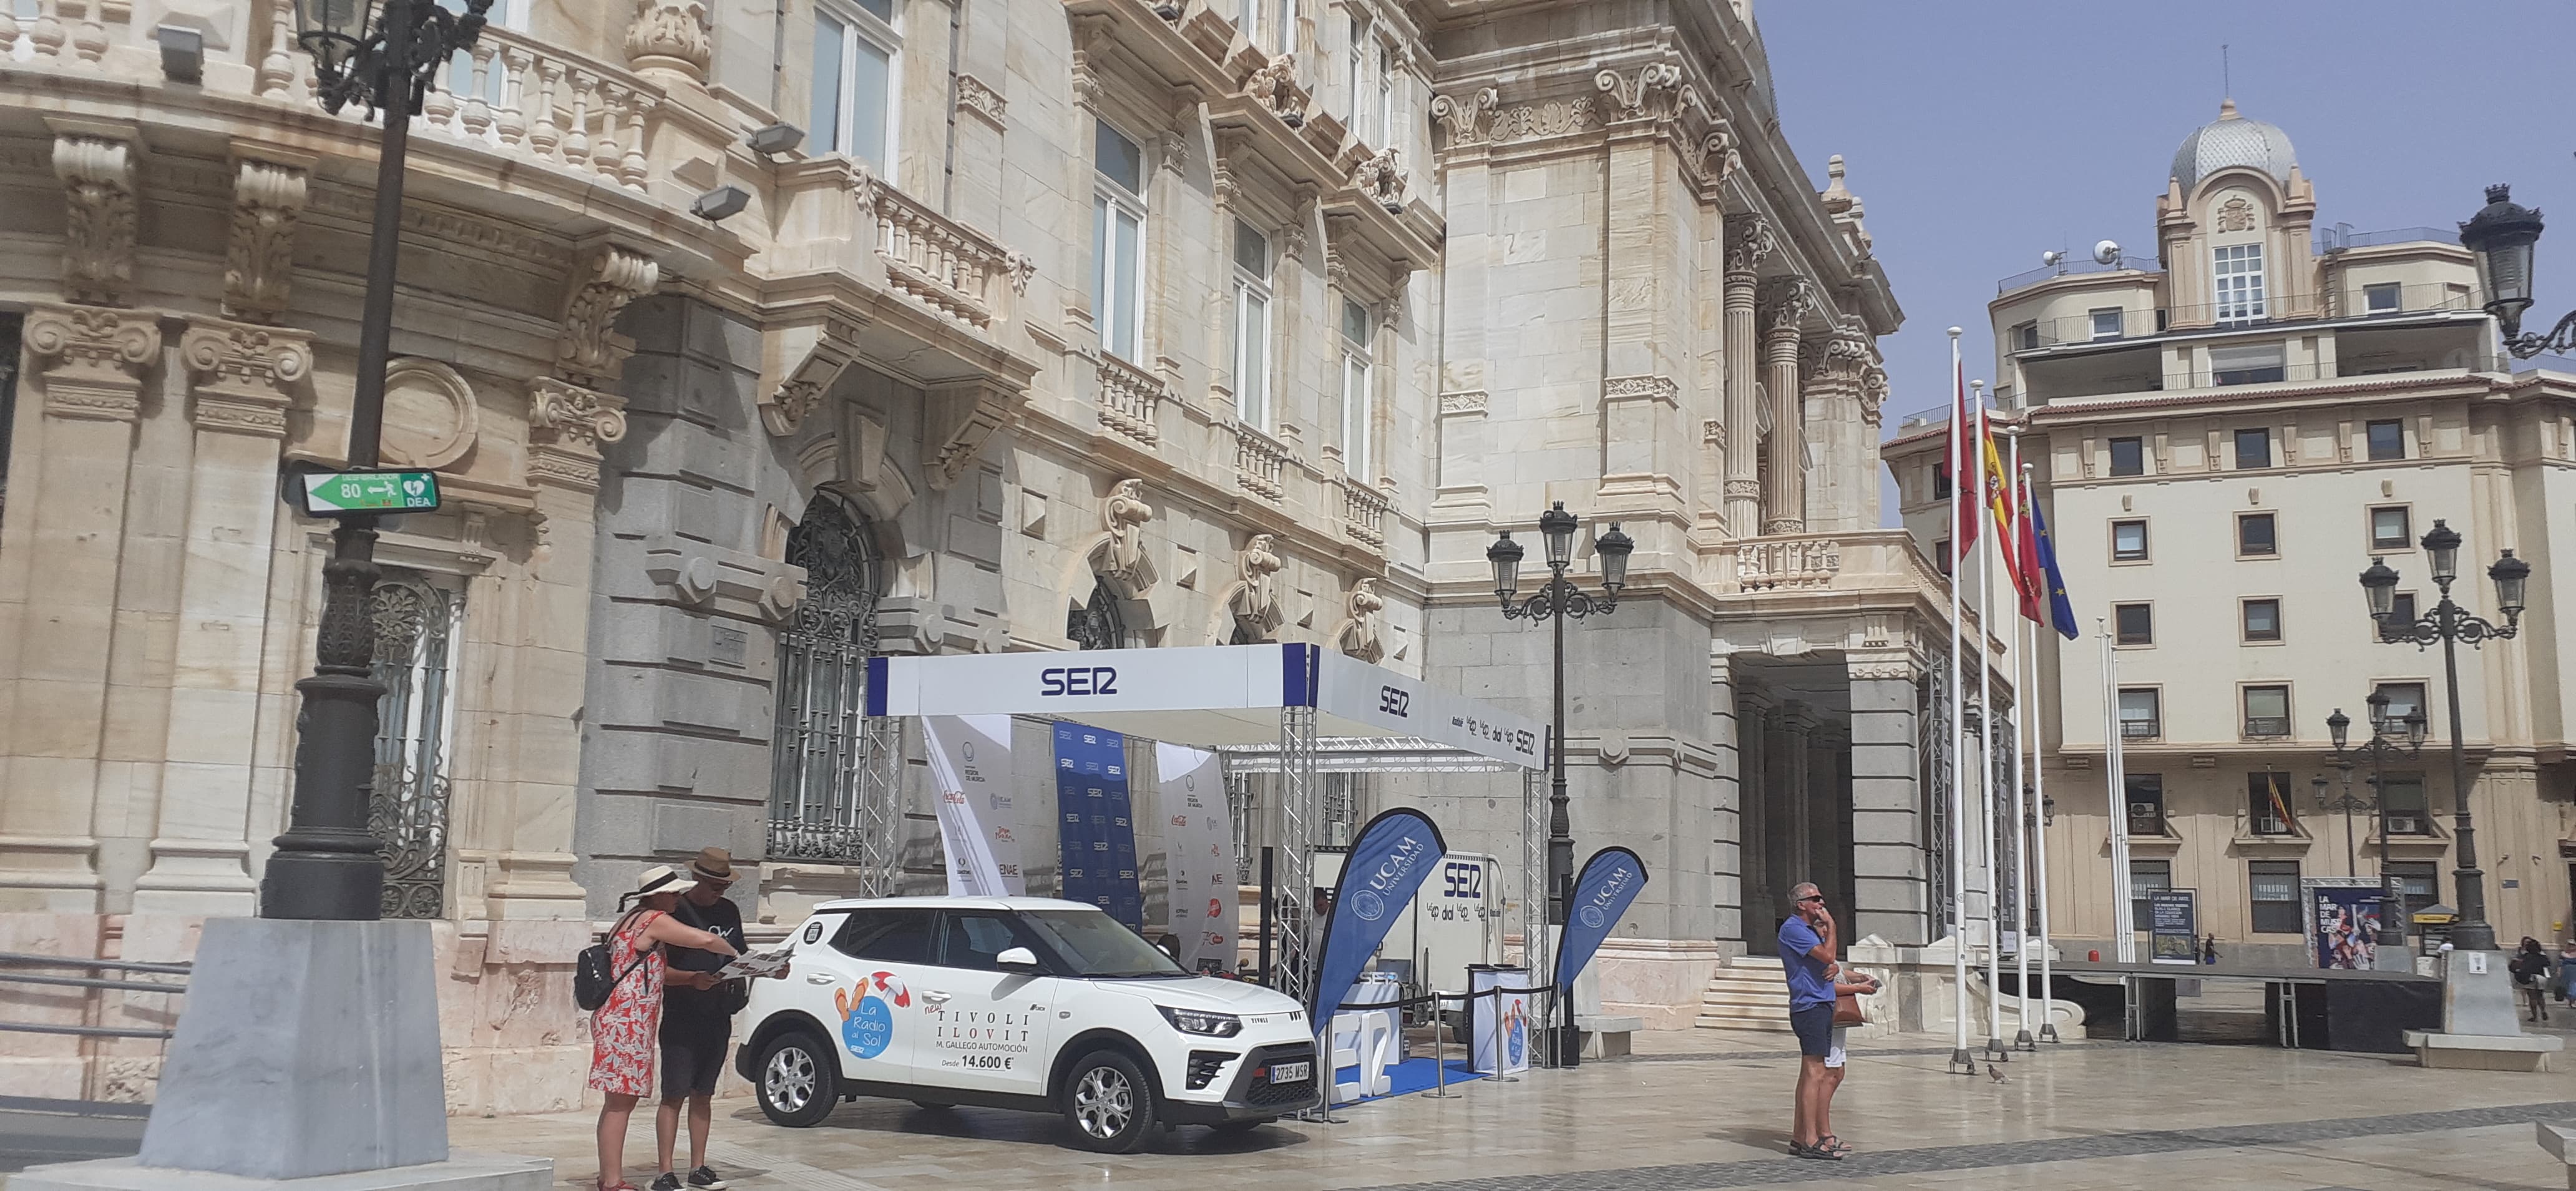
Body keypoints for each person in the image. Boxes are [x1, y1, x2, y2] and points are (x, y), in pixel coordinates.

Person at [593, 865, 739, 1191]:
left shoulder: (629, 919)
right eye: (673, 893)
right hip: (626, 1020)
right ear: (658, 896)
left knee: (617, 1102)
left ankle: (608, 1176)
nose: (678, 897)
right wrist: (737, 954)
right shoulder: (653, 920)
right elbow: (703, 939)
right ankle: (613, 1182)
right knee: (621, 1102)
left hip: (620, 1017)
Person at [653, 848, 770, 1191]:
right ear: (699, 880)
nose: (720, 893)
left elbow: (739, 953)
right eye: (715, 886)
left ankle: (699, 1167)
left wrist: (768, 969)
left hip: (717, 1013)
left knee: (703, 1093)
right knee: (673, 1094)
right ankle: (664, 1171)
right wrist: (690, 979)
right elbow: (657, 970)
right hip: (681, 1013)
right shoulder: (676, 912)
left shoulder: (729, 911)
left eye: (725, 887)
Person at [1778, 882, 1874, 1160]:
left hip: (1820, 1005)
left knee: (1815, 1072)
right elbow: (1828, 957)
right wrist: (1831, 926)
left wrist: (1831, 963)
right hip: (1810, 1006)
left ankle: (1801, 1137)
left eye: (1822, 898)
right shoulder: (1794, 928)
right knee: (1815, 1073)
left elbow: (1829, 964)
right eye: (1815, 899)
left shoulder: (1807, 932)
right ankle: (1809, 1139)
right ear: (1801, 905)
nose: (1821, 903)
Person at [2510, 936, 2552, 1022]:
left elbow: (2522, 967)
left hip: (2531, 978)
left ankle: (2535, 1016)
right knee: (2540, 996)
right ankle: (2543, 1011)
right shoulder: (2543, 957)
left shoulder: (2526, 957)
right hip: (2541, 978)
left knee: (2532, 998)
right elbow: (2548, 965)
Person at [2556, 940, 2576, 1006]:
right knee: (2567, 986)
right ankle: (2571, 1001)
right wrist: (2559, 972)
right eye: (2570, 945)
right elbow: (2560, 964)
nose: (2571, 947)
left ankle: (2573, 1001)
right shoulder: (2563, 954)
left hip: (2575, 972)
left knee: (2574, 986)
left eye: (2573, 945)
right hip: (2566, 972)